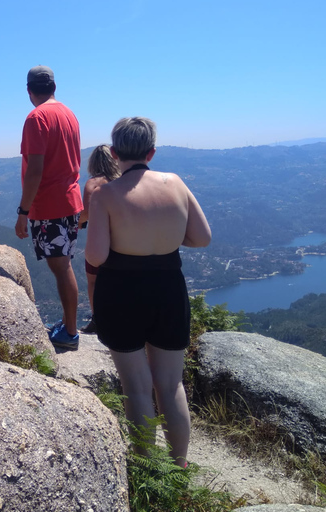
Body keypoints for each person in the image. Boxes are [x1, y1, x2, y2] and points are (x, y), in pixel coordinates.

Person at [85, 117, 211, 467]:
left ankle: (145, 467)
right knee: (170, 385)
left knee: (136, 387)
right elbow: (202, 238)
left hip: (121, 293)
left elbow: (96, 255)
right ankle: (179, 467)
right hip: (169, 288)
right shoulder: (175, 183)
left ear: (113, 152)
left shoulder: (105, 195)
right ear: (151, 151)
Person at [15, 66, 83, 351]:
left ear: (29, 91)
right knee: (64, 263)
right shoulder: (69, 115)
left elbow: (35, 171)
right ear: (54, 87)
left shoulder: (37, 117)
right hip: (70, 201)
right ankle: (69, 326)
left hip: (50, 206)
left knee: (61, 267)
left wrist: (23, 212)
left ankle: (69, 332)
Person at [78, 144, 121, 334]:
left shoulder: (93, 184)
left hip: (98, 240)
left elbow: (85, 213)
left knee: (94, 282)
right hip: (122, 240)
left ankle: (98, 320)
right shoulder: (123, 181)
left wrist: (77, 222)